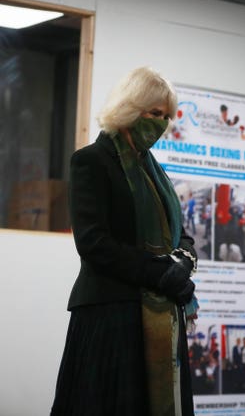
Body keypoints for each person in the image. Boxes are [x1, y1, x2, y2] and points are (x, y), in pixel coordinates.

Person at [51, 66, 198, 416]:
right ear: (131, 109)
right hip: (110, 314)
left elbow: (182, 233)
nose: (161, 123)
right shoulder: (91, 161)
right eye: (154, 113)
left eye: (166, 116)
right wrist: (160, 273)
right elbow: (93, 243)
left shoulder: (154, 171)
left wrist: (183, 261)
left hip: (159, 315)